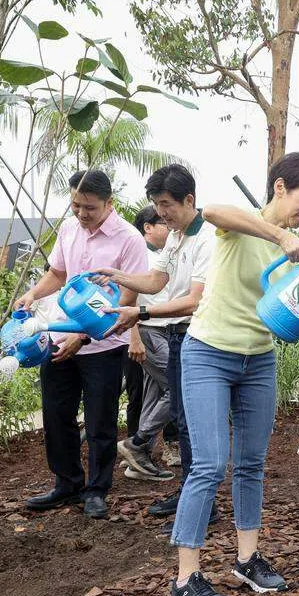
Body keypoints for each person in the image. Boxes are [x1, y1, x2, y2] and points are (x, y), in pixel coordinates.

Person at [149, 153, 299, 596]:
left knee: (251, 464)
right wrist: (281, 234)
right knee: (208, 465)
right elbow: (211, 212)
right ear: (280, 187)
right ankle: (185, 580)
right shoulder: (244, 225)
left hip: (258, 361)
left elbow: (284, 305)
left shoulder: (293, 252)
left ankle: (247, 559)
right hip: (208, 353)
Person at [15, 170, 148, 519]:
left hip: (103, 344)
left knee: (100, 420)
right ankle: (66, 483)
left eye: (89, 207)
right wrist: (32, 293)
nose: (81, 213)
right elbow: (57, 274)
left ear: (109, 203)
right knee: (57, 413)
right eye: (76, 205)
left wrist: (84, 335)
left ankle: (97, 489)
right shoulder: (69, 228)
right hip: (59, 337)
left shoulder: (129, 239)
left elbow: (127, 294)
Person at [92, 164, 217, 529]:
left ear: (189, 199)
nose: (160, 213)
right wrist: (117, 275)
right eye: (157, 205)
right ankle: (188, 493)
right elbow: (154, 279)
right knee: (180, 418)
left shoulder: (207, 239)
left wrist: (140, 313)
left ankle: (203, 506)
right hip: (176, 338)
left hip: (196, 336)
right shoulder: (176, 237)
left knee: (192, 423)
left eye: (166, 204)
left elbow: (196, 301)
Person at [121, 205, 174, 482]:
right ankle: (137, 443)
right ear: (148, 228)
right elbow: (127, 298)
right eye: (162, 222)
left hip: (162, 331)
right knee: (178, 387)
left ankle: (137, 462)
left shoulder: (162, 255)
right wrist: (134, 335)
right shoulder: (138, 254)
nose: (168, 225)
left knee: (154, 395)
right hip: (148, 331)